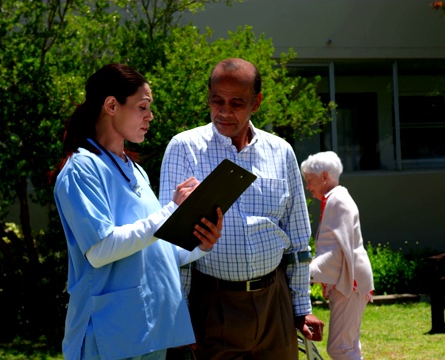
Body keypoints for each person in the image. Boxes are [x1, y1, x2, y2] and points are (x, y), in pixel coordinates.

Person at [50, 63, 223, 360]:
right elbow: (101, 249)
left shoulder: (137, 171)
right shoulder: (81, 168)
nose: (150, 116)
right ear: (111, 105)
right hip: (109, 334)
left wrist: (199, 245)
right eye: (143, 107)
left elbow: (153, 250)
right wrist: (170, 210)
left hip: (151, 332)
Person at [158, 58, 324, 359]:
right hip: (212, 302)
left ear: (256, 103)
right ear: (208, 96)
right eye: (216, 100)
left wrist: (301, 309)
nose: (224, 111)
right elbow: (173, 246)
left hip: (275, 302)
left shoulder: (281, 152)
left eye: (236, 103)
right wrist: (179, 318)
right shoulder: (184, 148)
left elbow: (298, 241)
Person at [300, 151, 374, 360]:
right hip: (352, 279)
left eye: (310, 180)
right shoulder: (336, 198)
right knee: (348, 345)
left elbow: (338, 251)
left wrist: (307, 272)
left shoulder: (337, 200)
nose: (308, 187)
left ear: (325, 176)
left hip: (350, 281)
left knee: (340, 348)